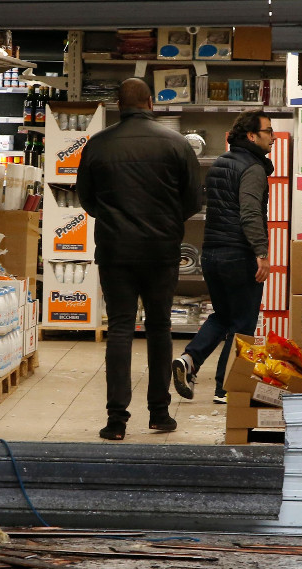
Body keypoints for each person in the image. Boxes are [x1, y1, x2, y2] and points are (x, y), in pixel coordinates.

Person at [76, 78, 202, 441]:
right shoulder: (177, 144)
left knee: (119, 329)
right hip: (161, 250)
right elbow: (193, 200)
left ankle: (116, 421)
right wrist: (164, 221)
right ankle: (159, 414)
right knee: (160, 328)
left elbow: (86, 199)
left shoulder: (98, 144)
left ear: (118, 103)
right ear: (150, 101)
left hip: (115, 251)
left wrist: (116, 219)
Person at [172, 110, 274, 404]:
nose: (273, 137)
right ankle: (226, 388)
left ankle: (189, 359)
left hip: (212, 253)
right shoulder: (253, 168)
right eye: (268, 131)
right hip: (239, 254)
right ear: (252, 136)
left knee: (223, 316)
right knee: (242, 324)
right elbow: (250, 212)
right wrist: (261, 252)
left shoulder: (219, 163)